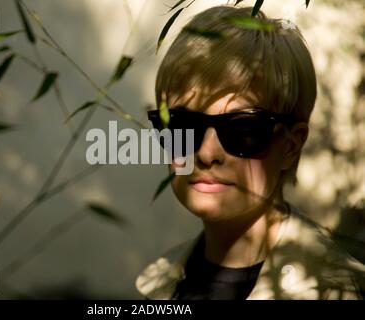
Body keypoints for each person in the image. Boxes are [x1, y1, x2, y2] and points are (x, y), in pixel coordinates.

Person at [136, 5, 364, 300]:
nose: (206, 154)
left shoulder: (332, 290)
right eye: (184, 125)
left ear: (290, 146)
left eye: (243, 130)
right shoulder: (162, 280)